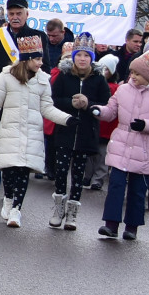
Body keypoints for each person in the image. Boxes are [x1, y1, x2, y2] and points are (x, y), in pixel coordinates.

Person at [0, 36, 73, 228]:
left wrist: (67, 119)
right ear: (27, 58)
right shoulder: (6, 76)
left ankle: (16, 210)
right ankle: (8, 198)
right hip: (10, 132)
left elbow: (47, 108)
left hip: (32, 134)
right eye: (36, 59)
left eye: (41, 59)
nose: (40, 62)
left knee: (23, 171)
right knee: (10, 170)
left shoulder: (43, 81)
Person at [0, 0, 50, 205]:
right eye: (12, 14)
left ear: (27, 14)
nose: (15, 17)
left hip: (26, 100)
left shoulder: (38, 36)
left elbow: (45, 67)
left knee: (18, 145)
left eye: (19, 13)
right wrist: (5, 81)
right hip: (1, 96)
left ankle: (13, 190)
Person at [91, 50, 149, 240]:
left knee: (138, 190)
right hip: (121, 144)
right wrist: (99, 110)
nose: (133, 76)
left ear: (148, 75)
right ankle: (111, 224)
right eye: (132, 72)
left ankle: (132, 227)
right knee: (116, 185)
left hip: (144, 148)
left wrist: (146, 125)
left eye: (137, 74)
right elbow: (111, 110)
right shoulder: (123, 89)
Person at [48, 32, 111, 230]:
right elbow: (54, 99)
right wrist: (71, 103)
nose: (82, 59)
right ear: (73, 57)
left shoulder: (98, 79)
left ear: (91, 58)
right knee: (60, 172)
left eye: (86, 55)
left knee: (78, 175)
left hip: (86, 133)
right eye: (79, 55)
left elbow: (105, 104)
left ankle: (72, 213)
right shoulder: (65, 76)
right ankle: (58, 208)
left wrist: (88, 104)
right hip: (66, 131)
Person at [83, 54, 119, 191]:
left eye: (107, 70)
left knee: (103, 155)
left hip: (107, 127)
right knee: (90, 153)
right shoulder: (93, 82)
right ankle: (87, 175)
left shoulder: (115, 88)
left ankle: (98, 178)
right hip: (94, 124)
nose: (104, 72)